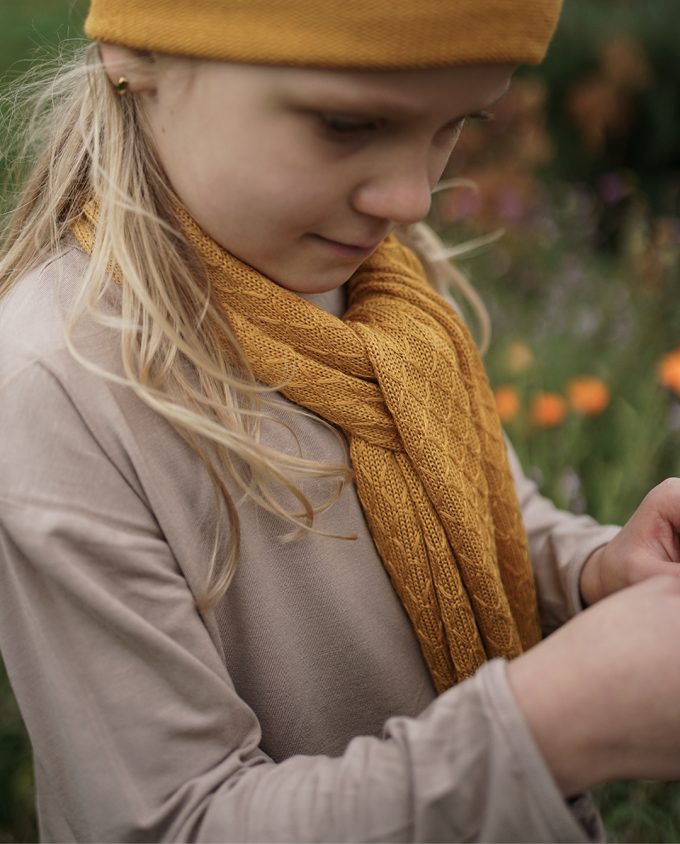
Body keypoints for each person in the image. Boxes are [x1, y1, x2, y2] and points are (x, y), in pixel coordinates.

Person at [1, 1, 679, 841]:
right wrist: (547, 730)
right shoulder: (62, 390)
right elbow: (174, 821)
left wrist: (594, 572)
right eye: (345, 123)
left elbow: (482, 521)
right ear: (138, 50)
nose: (411, 200)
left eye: (454, 125)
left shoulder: (384, 292)